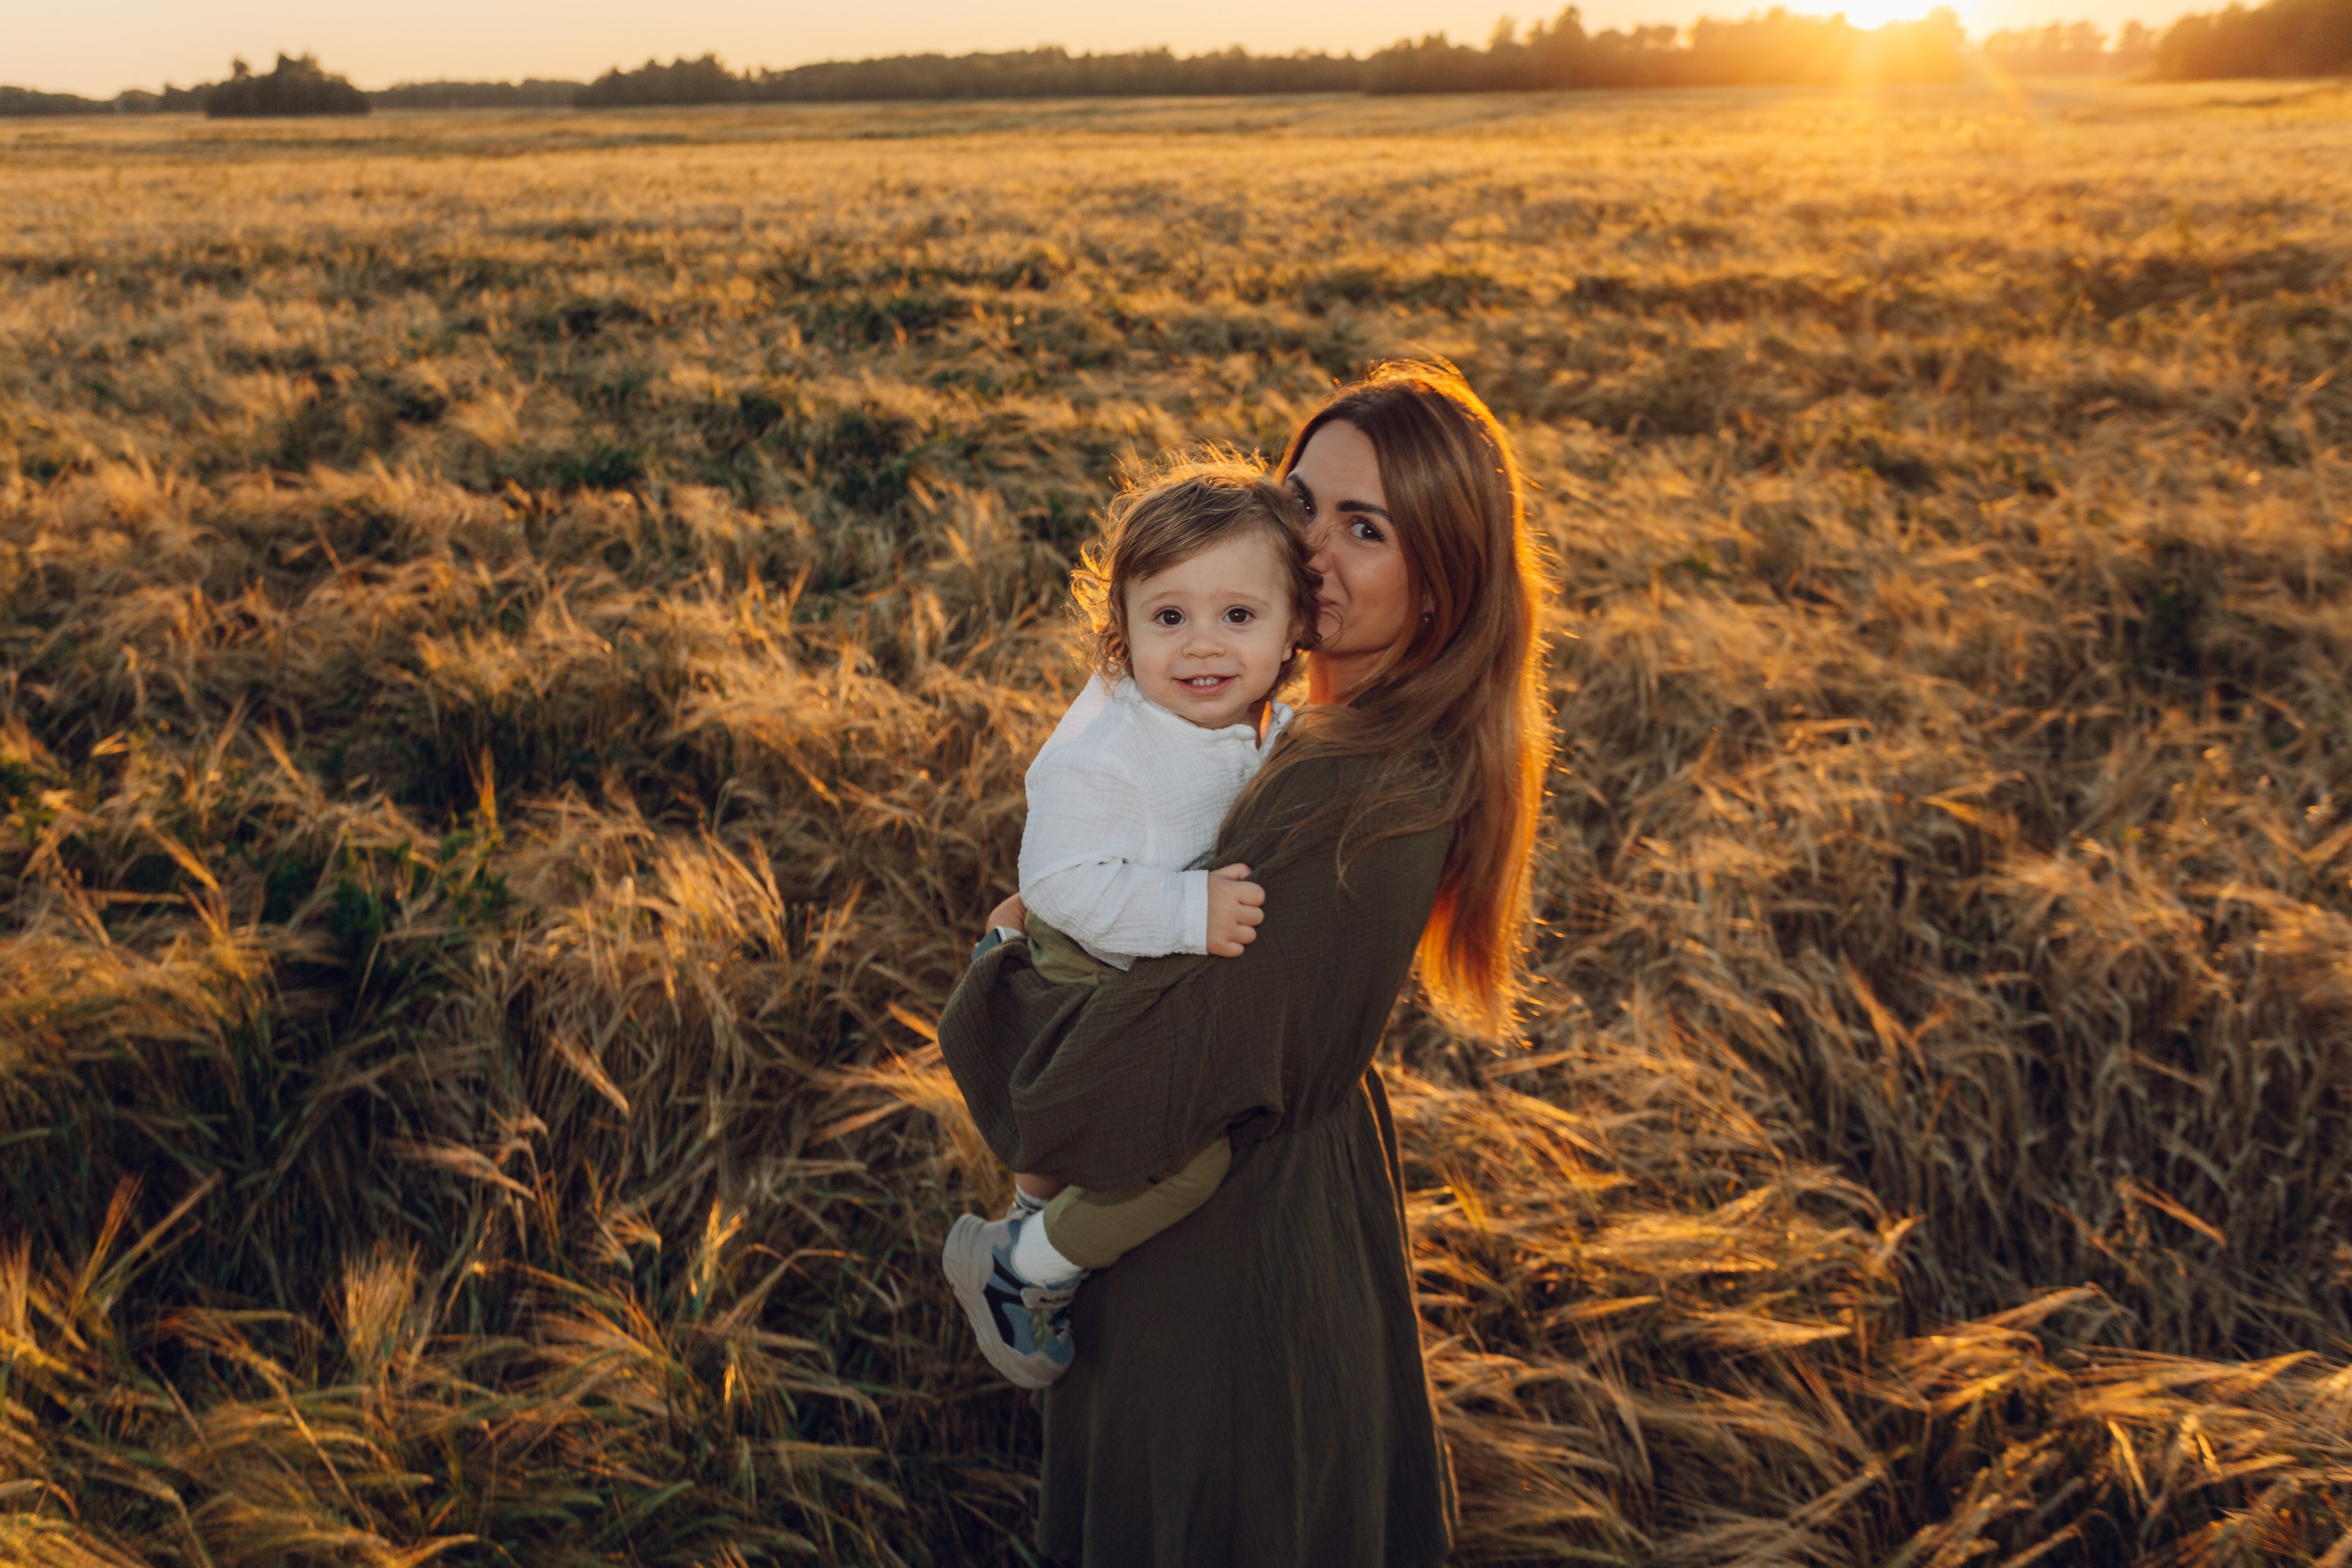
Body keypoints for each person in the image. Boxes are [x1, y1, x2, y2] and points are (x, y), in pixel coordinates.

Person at [938, 359, 1554, 1567]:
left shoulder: (1350, 792)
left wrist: (998, 981)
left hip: (1229, 1273)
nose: (1308, 547)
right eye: (1302, 499)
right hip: (1241, 1221)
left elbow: (1096, 1093)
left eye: (1365, 528)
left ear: (1440, 581)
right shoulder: (1299, 731)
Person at [940, 460, 1320, 1389]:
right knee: (1184, 1161)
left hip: (1131, 962)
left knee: (1060, 1156)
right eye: (1169, 617)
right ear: (1123, 631)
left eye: (1239, 615)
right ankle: (1020, 1267)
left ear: (1293, 629)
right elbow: (1059, 881)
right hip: (1088, 963)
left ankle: (1033, 1210)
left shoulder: (1252, 722)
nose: (1203, 645)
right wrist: (1190, 910)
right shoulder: (1108, 754)